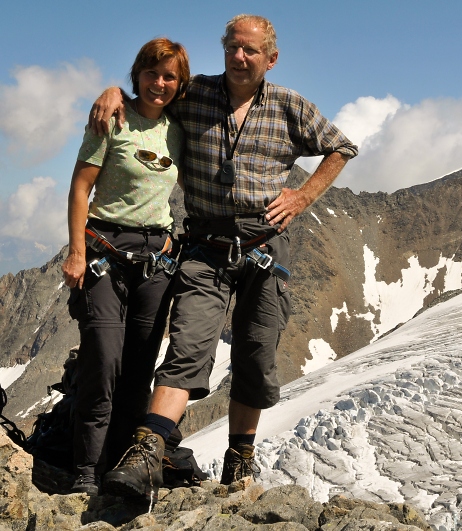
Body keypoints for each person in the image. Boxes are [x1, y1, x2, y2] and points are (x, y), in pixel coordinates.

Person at [89, 14, 358, 499]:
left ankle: (240, 461)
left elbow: (340, 147)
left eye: (250, 50)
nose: (239, 57)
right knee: (187, 345)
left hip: (264, 248)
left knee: (255, 356)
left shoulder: (289, 106)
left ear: (270, 59)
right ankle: (146, 454)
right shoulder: (196, 94)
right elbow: (153, 91)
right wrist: (115, 94)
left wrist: (302, 197)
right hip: (205, 247)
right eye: (232, 47)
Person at [63, 38, 190, 496]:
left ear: (180, 83)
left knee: (139, 367)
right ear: (137, 73)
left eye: (170, 76)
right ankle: (86, 469)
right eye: (152, 73)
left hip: (156, 258)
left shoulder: (179, 126)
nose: (160, 83)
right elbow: (80, 188)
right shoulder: (111, 119)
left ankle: (120, 469)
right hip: (104, 249)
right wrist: (77, 252)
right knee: (103, 357)